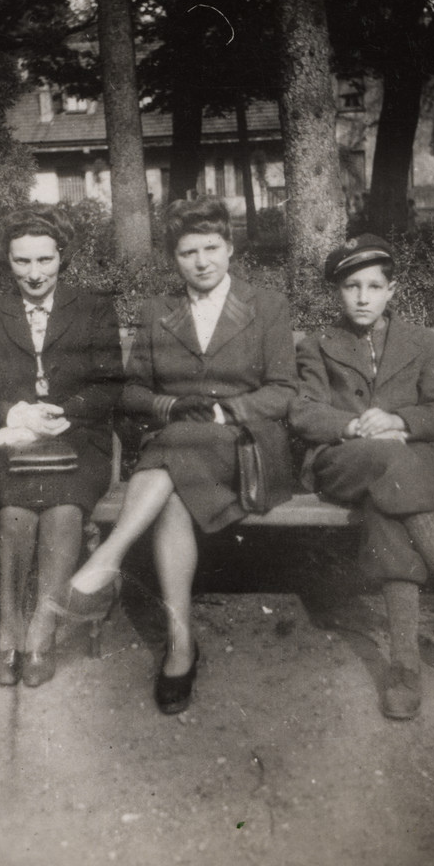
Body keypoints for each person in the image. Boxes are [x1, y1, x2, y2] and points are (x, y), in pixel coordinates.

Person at [54, 197, 298, 715]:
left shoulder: (267, 305)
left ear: (230, 249)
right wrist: (171, 403)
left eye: (212, 248)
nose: (202, 261)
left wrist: (221, 411)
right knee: (171, 493)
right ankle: (180, 644)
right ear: (174, 259)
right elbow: (133, 392)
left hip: (245, 448)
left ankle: (108, 558)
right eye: (188, 252)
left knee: (173, 448)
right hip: (180, 458)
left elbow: (283, 390)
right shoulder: (157, 312)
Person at [289, 233, 434, 720]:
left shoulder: (422, 343)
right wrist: (354, 424)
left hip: (399, 471)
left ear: (391, 291)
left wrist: (399, 421)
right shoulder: (318, 345)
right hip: (341, 462)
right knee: (392, 463)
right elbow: (304, 412)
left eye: (373, 286)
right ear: (337, 292)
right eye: (351, 286)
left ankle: (403, 669)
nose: (362, 297)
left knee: (389, 508)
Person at [0, 206, 122, 688]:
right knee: (15, 513)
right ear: (8, 261)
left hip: (78, 439)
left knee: (65, 511)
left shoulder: (91, 309)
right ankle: (9, 634)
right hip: (11, 442)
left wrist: (63, 413)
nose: (34, 273)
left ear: (61, 258)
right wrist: (17, 414)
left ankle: (42, 632)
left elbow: (110, 384)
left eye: (44, 261)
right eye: (22, 261)